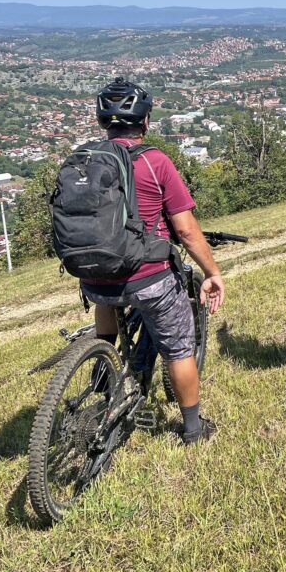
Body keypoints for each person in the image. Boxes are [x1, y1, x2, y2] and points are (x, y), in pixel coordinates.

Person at [81, 78, 225, 444]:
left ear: (102, 123)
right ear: (145, 122)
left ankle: (102, 364)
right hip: (148, 277)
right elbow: (187, 231)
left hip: (95, 277)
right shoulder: (155, 161)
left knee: (109, 304)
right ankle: (193, 428)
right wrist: (212, 272)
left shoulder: (86, 159)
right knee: (179, 348)